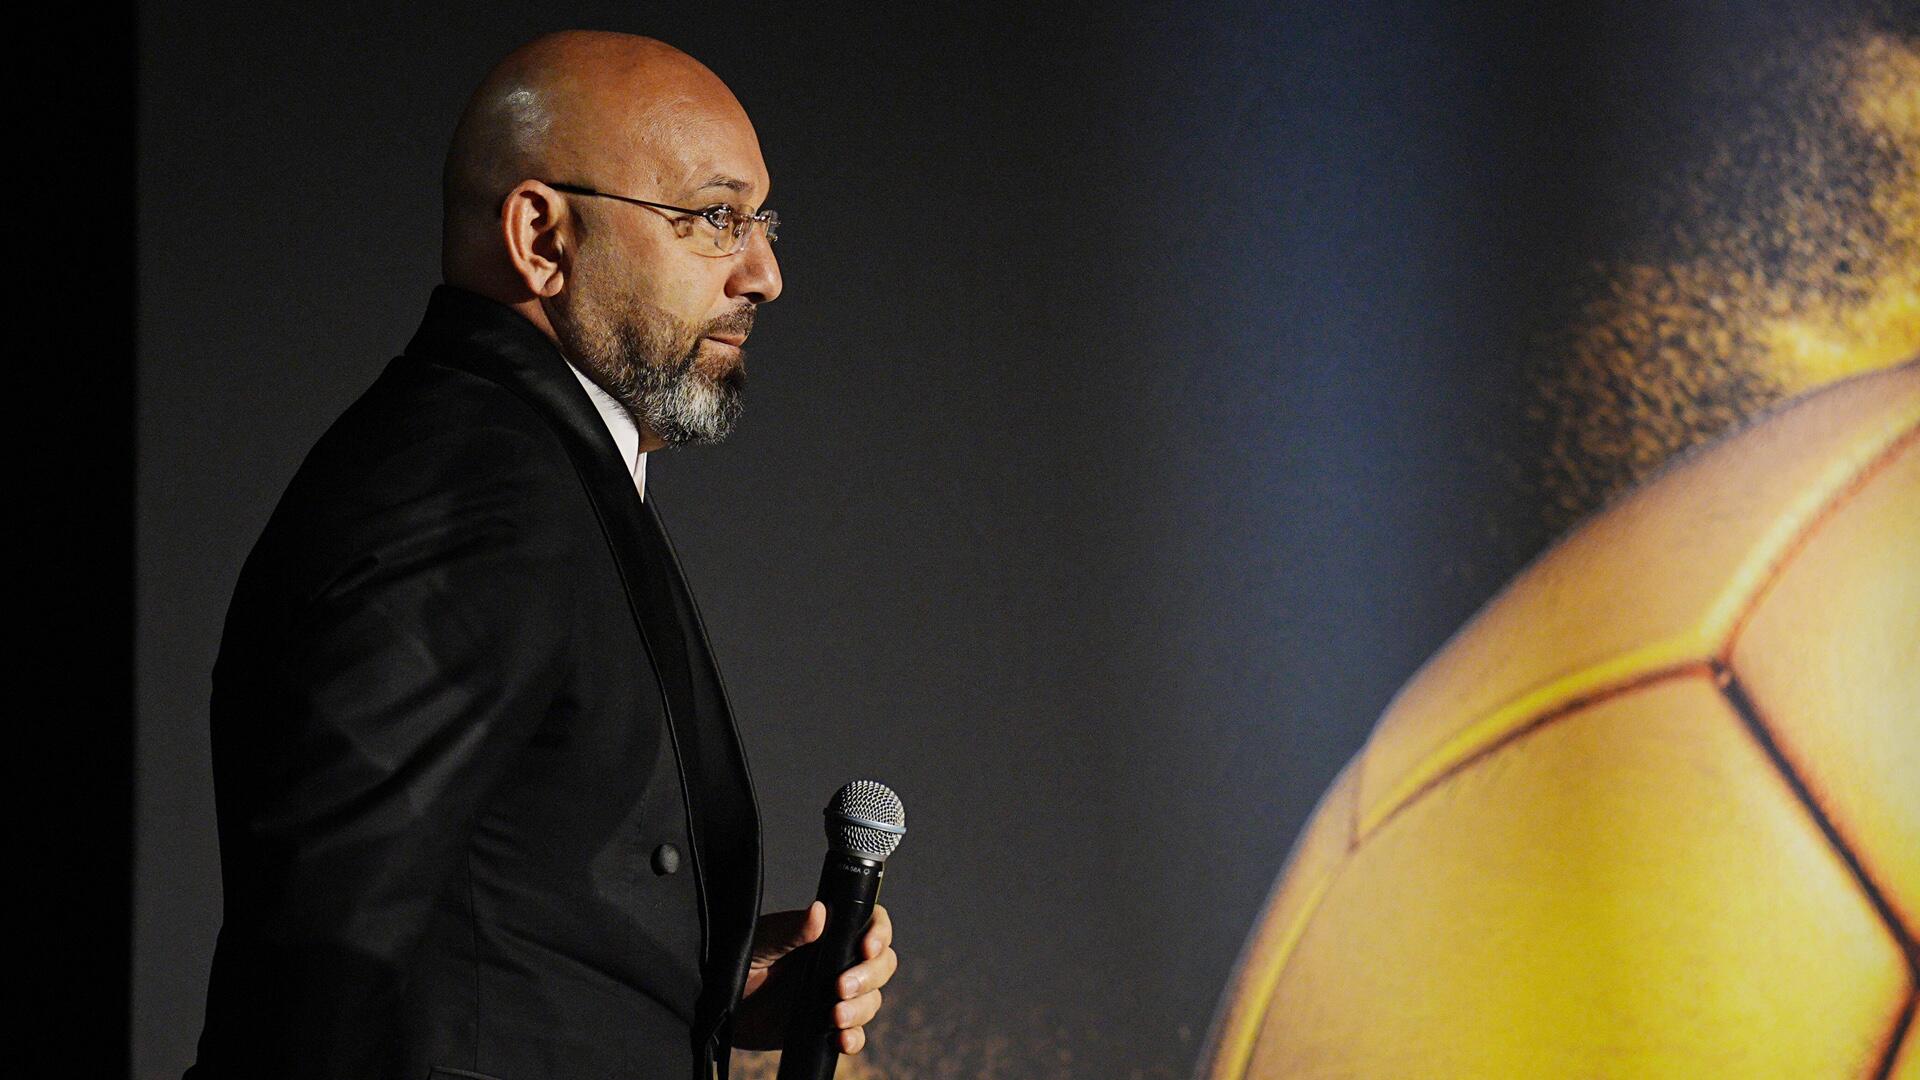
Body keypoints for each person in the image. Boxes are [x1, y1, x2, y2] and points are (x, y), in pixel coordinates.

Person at [187, 31, 897, 1080]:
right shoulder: (474, 485)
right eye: (715, 218)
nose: (765, 273)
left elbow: (480, 930)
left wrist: (696, 983)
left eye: (763, 222)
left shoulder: (536, 464)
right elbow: (324, 960)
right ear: (541, 237)